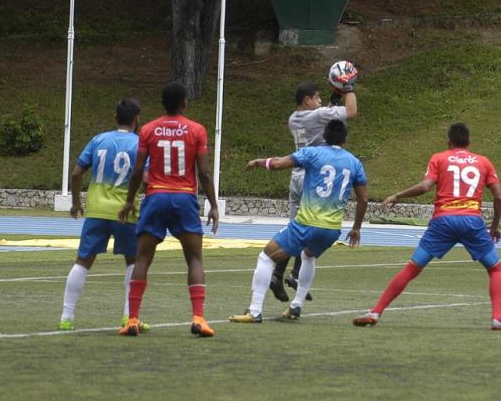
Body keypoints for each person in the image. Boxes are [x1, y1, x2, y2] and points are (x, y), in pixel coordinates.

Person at [353, 122, 501, 331]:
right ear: (469, 142)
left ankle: (376, 311)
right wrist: (494, 226)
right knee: (494, 268)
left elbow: (425, 186)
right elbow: (499, 196)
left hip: (443, 221)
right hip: (471, 220)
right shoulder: (483, 162)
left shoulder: (440, 158)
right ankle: (497, 319)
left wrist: (397, 195)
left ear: (448, 142)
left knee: (412, 268)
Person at [230, 119, 368, 323]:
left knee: (266, 257)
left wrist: (259, 162)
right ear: (345, 139)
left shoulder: (313, 153)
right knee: (309, 256)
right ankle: (296, 306)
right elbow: (363, 199)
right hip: (331, 229)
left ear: (324, 136)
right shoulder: (355, 163)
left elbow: (277, 164)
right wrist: (356, 228)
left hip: (307, 223)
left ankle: (254, 311)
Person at [117, 82, 220, 337]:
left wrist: (130, 200)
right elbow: (204, 173)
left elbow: (139, 170)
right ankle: (198, 318)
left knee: (142, 259)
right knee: (194, 259)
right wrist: (214, 205)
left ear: (163, 103)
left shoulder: (149, 129)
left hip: (156, 196)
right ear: (184, 102)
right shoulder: (196, 130)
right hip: (184, 198)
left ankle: (132, 319)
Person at [59, 98, 147, 331]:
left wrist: (77, 203)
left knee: (83, 261)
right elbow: (146, 179)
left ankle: (66, 317)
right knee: (133, 262)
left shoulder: (98, 140)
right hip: (125, 212)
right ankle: (130, 318)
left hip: (96, 211)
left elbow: (77, 173)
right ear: (136, 120)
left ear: (115, 118)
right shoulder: (139, 144)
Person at [269, 78, 358, 303]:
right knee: (312, 227)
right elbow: (351, 111)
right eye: (316, 97)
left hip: (296, 175)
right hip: (313, 176)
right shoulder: (317, 115)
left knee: (295, 228)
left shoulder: (294, 118)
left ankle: (278, 274)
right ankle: (296, 275)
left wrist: (331, 100)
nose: (319, 101)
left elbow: (323, 121)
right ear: (307, 100)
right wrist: (347, 87)